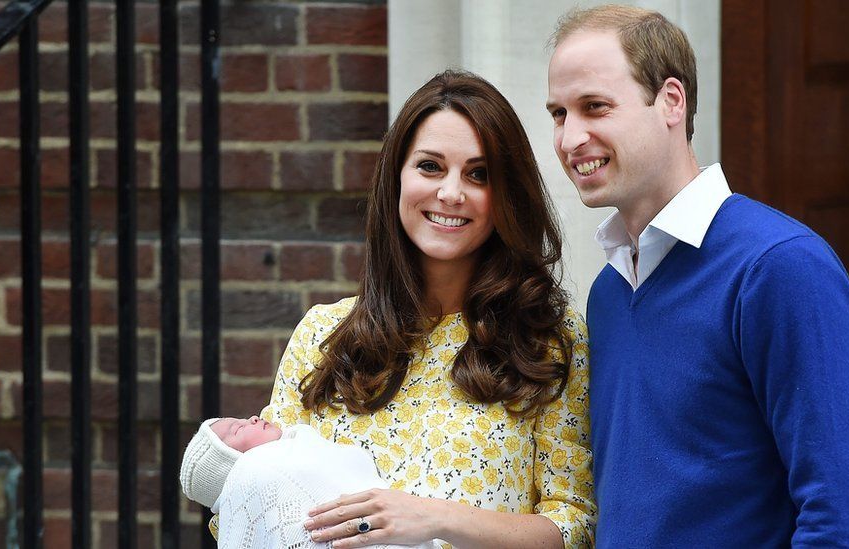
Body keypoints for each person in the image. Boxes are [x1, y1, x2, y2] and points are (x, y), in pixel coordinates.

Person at [545, 5, 849, 547]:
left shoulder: (780, 266)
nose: (569, 139)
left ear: (671, 102)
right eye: (559, 114)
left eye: (595, 107)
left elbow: (844, 517)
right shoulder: (610, 292)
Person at [257, 70, 595, 549]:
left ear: (507, 197)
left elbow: (575, 526)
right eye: (430, 166)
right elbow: (259, 494)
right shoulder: (322, 336)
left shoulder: (550, 344)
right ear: (397, 175)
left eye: (478, 174)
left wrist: (438, 519)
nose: (451, 193)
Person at [179, 416, 435, 549]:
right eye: (238, 429)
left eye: (244, 419)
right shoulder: (257, 472)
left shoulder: (304, 445)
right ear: (231, 465)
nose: (254, 418)